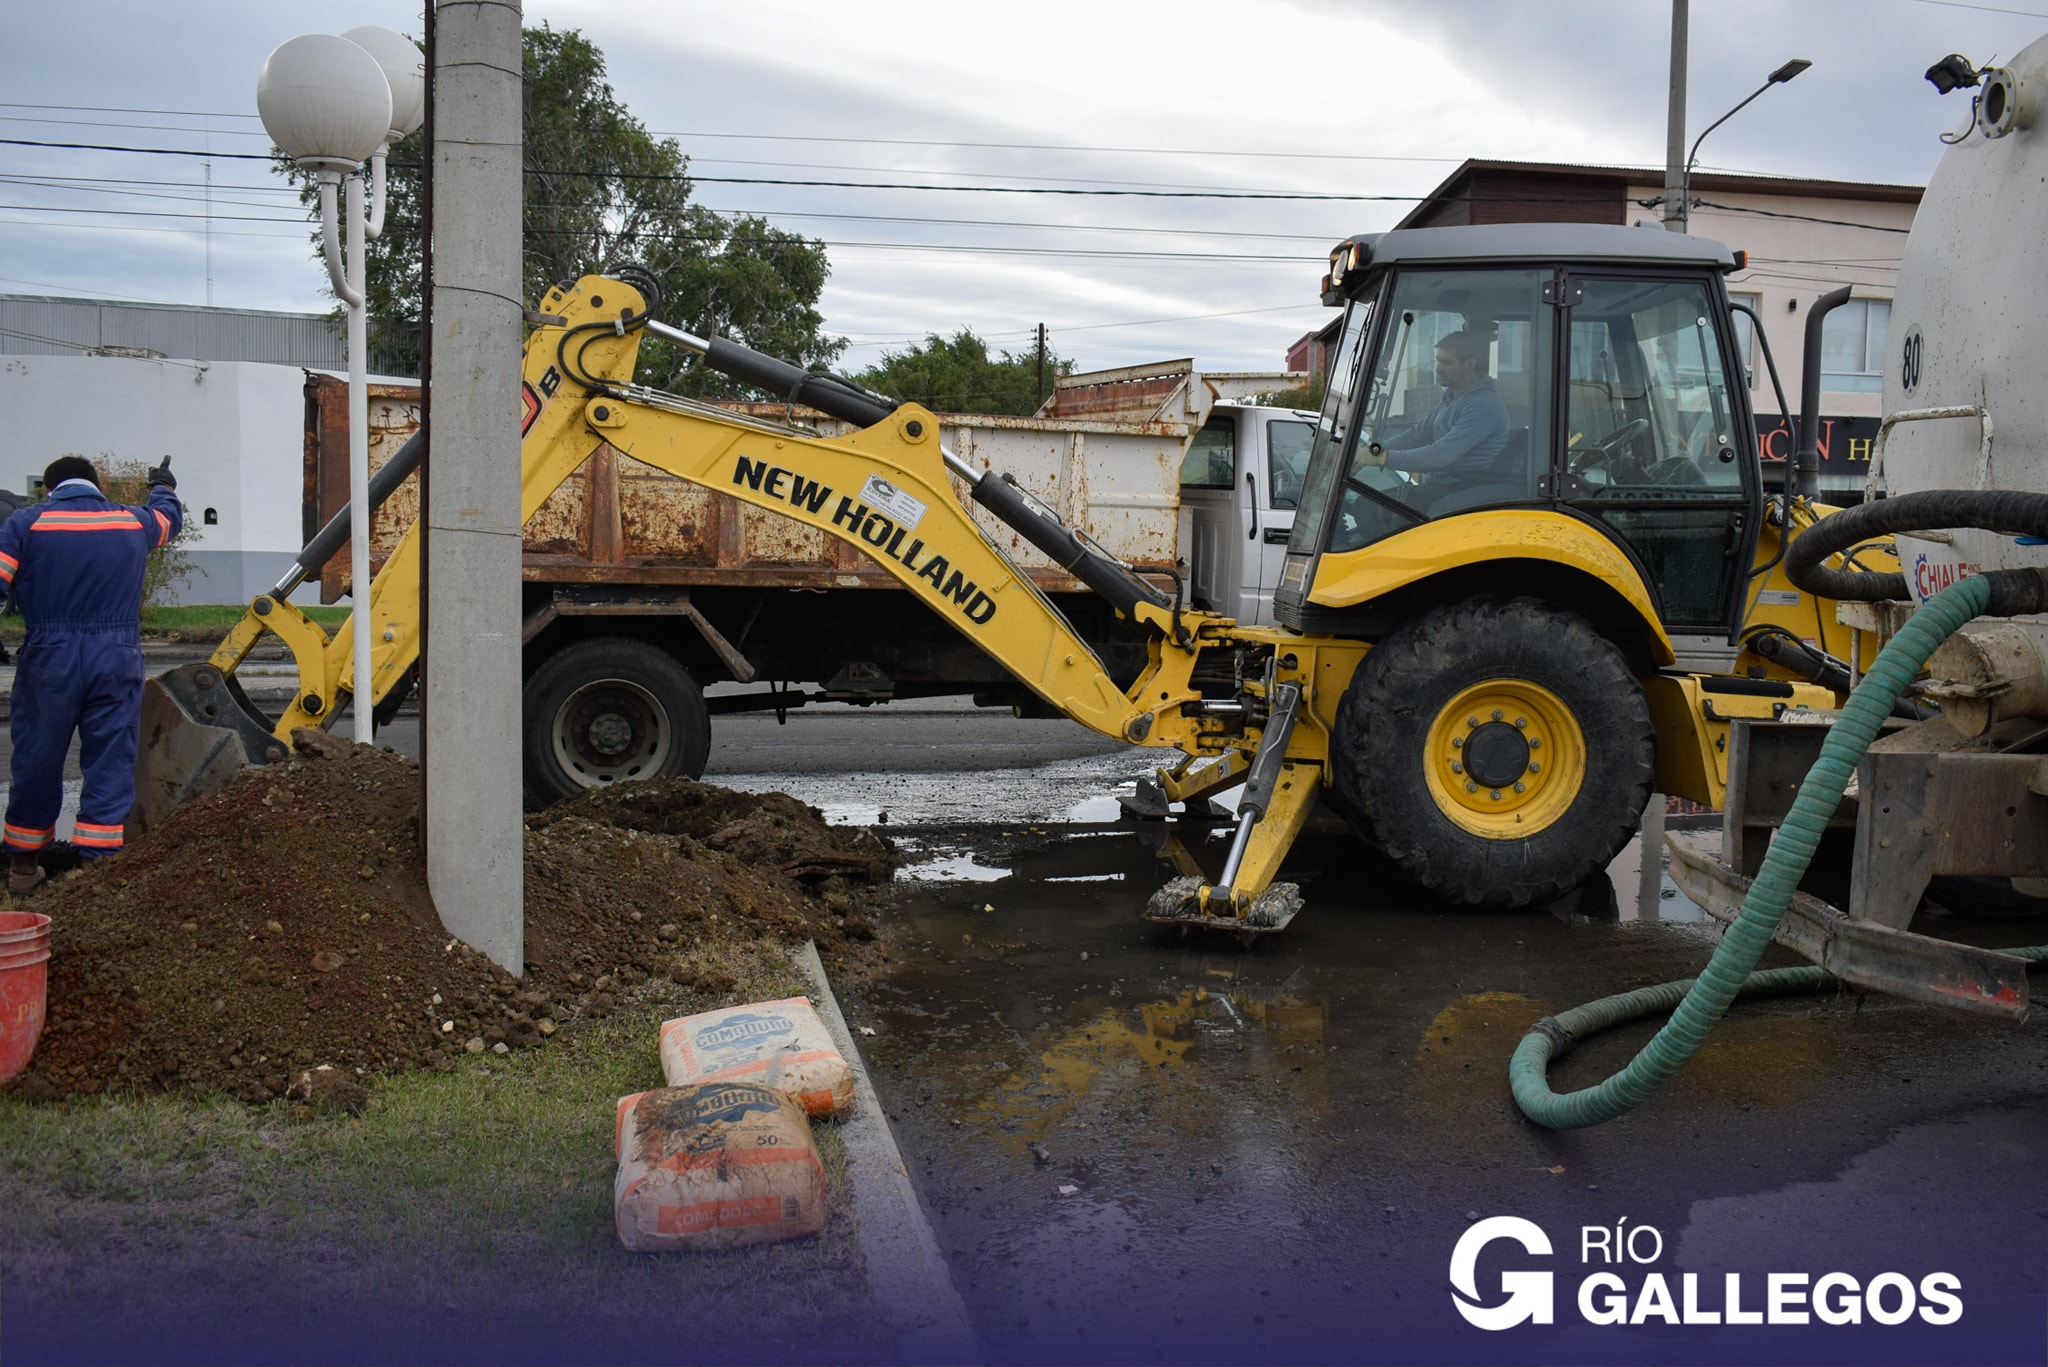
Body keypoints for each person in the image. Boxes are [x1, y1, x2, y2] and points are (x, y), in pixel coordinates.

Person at [1, 456, 183, 892]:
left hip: (49, 655)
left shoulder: (25, 524)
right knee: (109, 758)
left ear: (49, 488)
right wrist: (162, 486)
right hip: (116, 653)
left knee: (38, 757)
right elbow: (168, 518)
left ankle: (24, 868)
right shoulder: (133, 522)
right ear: (98, 485)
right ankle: (97, 870)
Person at [1380, 330, 1511, 484]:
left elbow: (1438, 456)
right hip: (1442, 486)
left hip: (1463, 491)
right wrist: (1374, 451)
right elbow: (1417, 435)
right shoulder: (1452, 397)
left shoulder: (1483, 405)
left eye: (1447, 363)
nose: (1438, 368)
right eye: (1439, 361)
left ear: (1470, 365)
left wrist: (1383, 458)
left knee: (1367, 506)